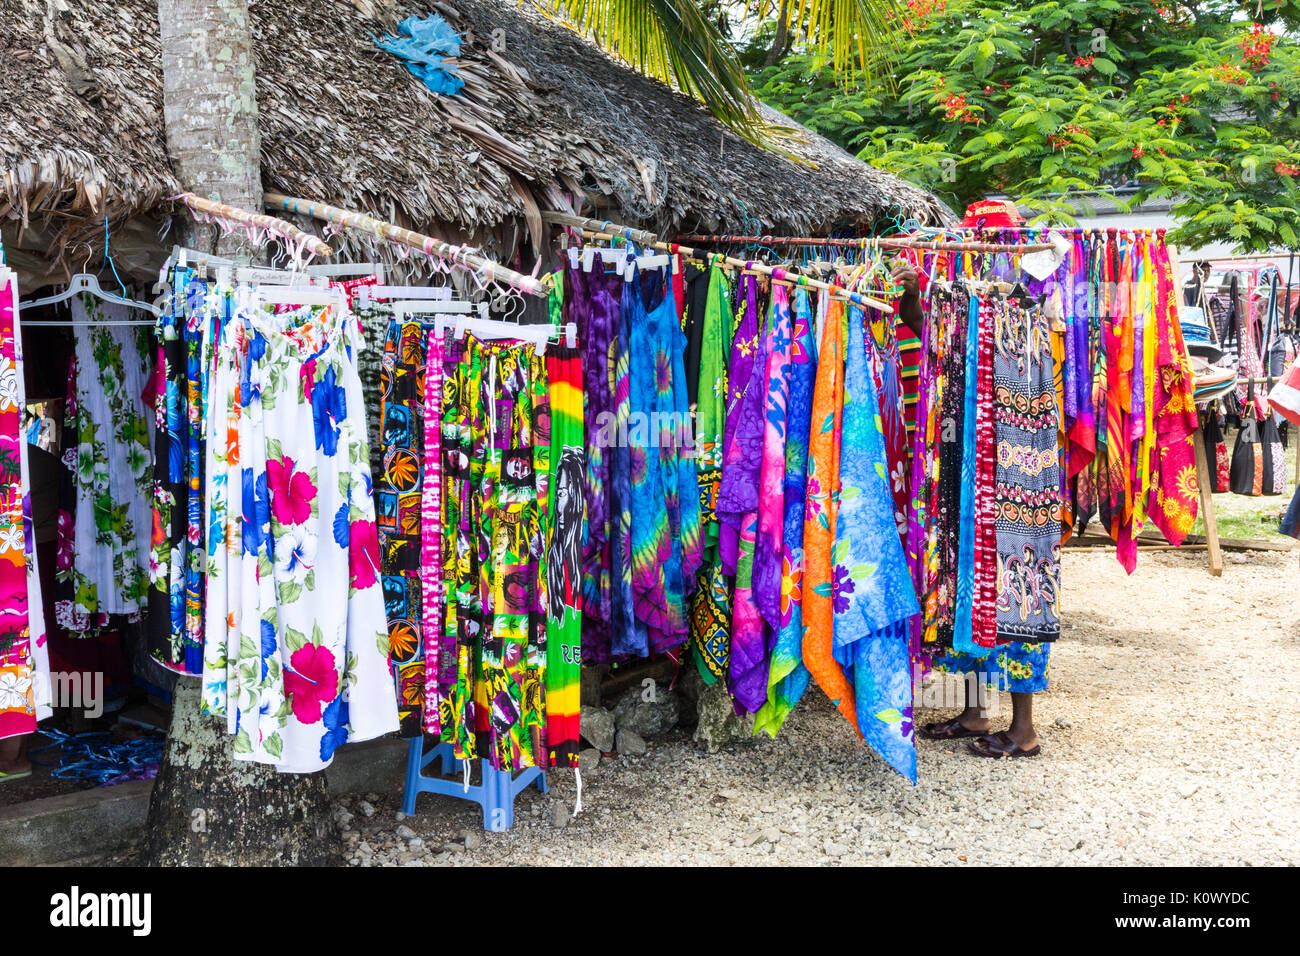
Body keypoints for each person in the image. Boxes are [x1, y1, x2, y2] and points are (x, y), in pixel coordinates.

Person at [890, 257, 1049, 758]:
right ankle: (978, 710)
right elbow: (937, 339)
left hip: (1021, 463)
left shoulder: (1031, 300)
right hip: (975, 459)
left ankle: (1024, 731)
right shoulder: (965, 298)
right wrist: (915, 295)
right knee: (971, 583)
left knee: (1021, 585)